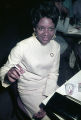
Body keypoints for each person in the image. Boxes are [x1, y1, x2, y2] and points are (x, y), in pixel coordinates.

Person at [0, 1, 60, 120]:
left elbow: (54, 73)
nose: (46, 34)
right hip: (29, 91)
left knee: (66, 112)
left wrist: (48, 99)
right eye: (41, 28)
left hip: (49, 86)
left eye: (51, 29)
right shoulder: (22, 47)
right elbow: (4, 70)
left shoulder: (56, 46)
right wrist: (8, 75)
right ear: (34, 27)